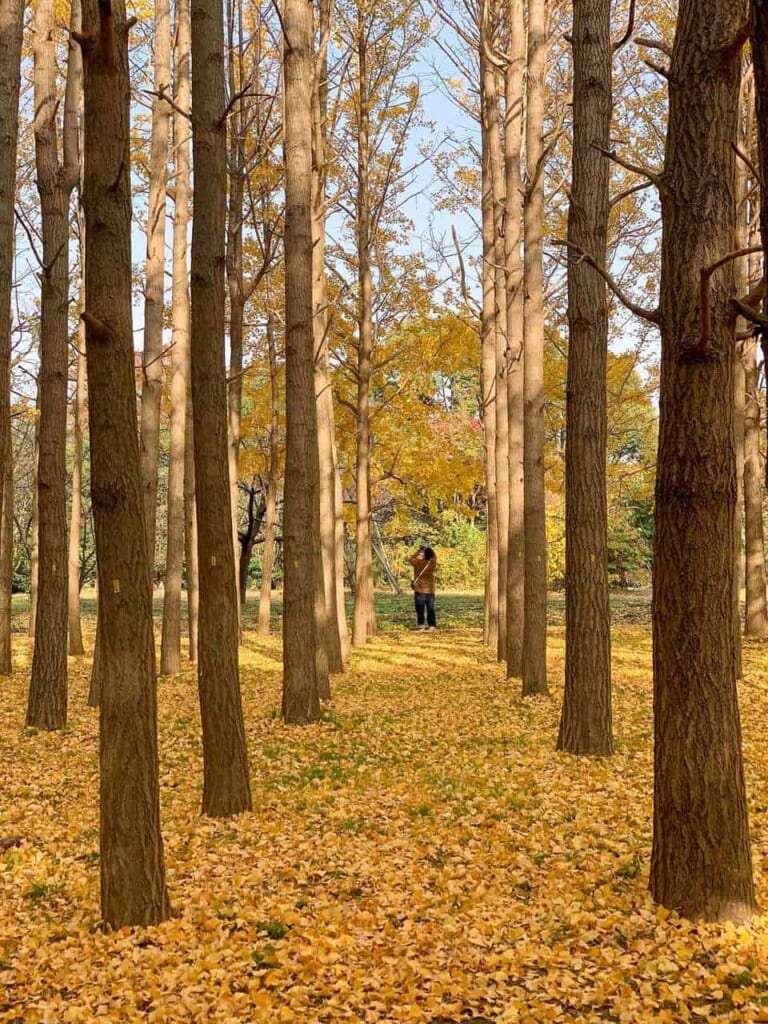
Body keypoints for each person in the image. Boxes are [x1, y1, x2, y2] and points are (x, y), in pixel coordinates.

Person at [408, 545, 437, 630]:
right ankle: (432, 625)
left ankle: (421, 625)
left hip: (419, 590)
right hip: (430, 590)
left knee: (420, 609)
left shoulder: (417, 562)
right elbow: (434, 557)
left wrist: (419, 551)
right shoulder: (432, 563)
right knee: (430, 609)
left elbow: (410, 559)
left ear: (424, 554)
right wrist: (429, 550)